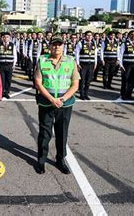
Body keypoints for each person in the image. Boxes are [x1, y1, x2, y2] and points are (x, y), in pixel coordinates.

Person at [34, 36, 79, 174]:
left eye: (59, 45)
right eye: (54, 45)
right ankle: (41, 161)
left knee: (62, 133)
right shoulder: (42, 60)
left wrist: (63, 99)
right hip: (46, 103)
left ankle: (60, 159)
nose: (57, 47)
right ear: (49, 46)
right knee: (45, 133)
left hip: (64, 104)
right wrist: (51, 99)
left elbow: (75, 84)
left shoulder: (70, 61)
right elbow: (38, 83)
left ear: (63, 46)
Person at [118, 30, 134, 100]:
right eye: (132, 34)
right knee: (125, 80)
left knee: (132, 80)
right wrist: (121, 65)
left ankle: (129, 94)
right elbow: (120, 55)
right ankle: (123, 94)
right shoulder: (125, 43)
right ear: (129, 35)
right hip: (126, 64)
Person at [75, 31, 97, 100]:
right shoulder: (80, 43)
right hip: (83, 65)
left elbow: (95, 54)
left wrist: (95, 63)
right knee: (82, 80)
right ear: (85, 36)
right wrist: (78, 64)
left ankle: (86, 94)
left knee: (88, 80)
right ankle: (81, 94)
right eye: (88, 35)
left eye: (90, 35)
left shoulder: (94, 43)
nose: (89, 37)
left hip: (91, 64)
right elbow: (77, 54)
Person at [0, 32, 17, 99]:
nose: (6, 38)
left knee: (8, 79)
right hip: (1, 65)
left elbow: (15, 55)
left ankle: (6, 92)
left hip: (9, 65)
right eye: (4, 37)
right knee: (2, 80)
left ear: (9, 38)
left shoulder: (12, 45)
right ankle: (1, 93)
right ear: (2, 38)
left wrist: (14, 64)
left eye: (7, 37)